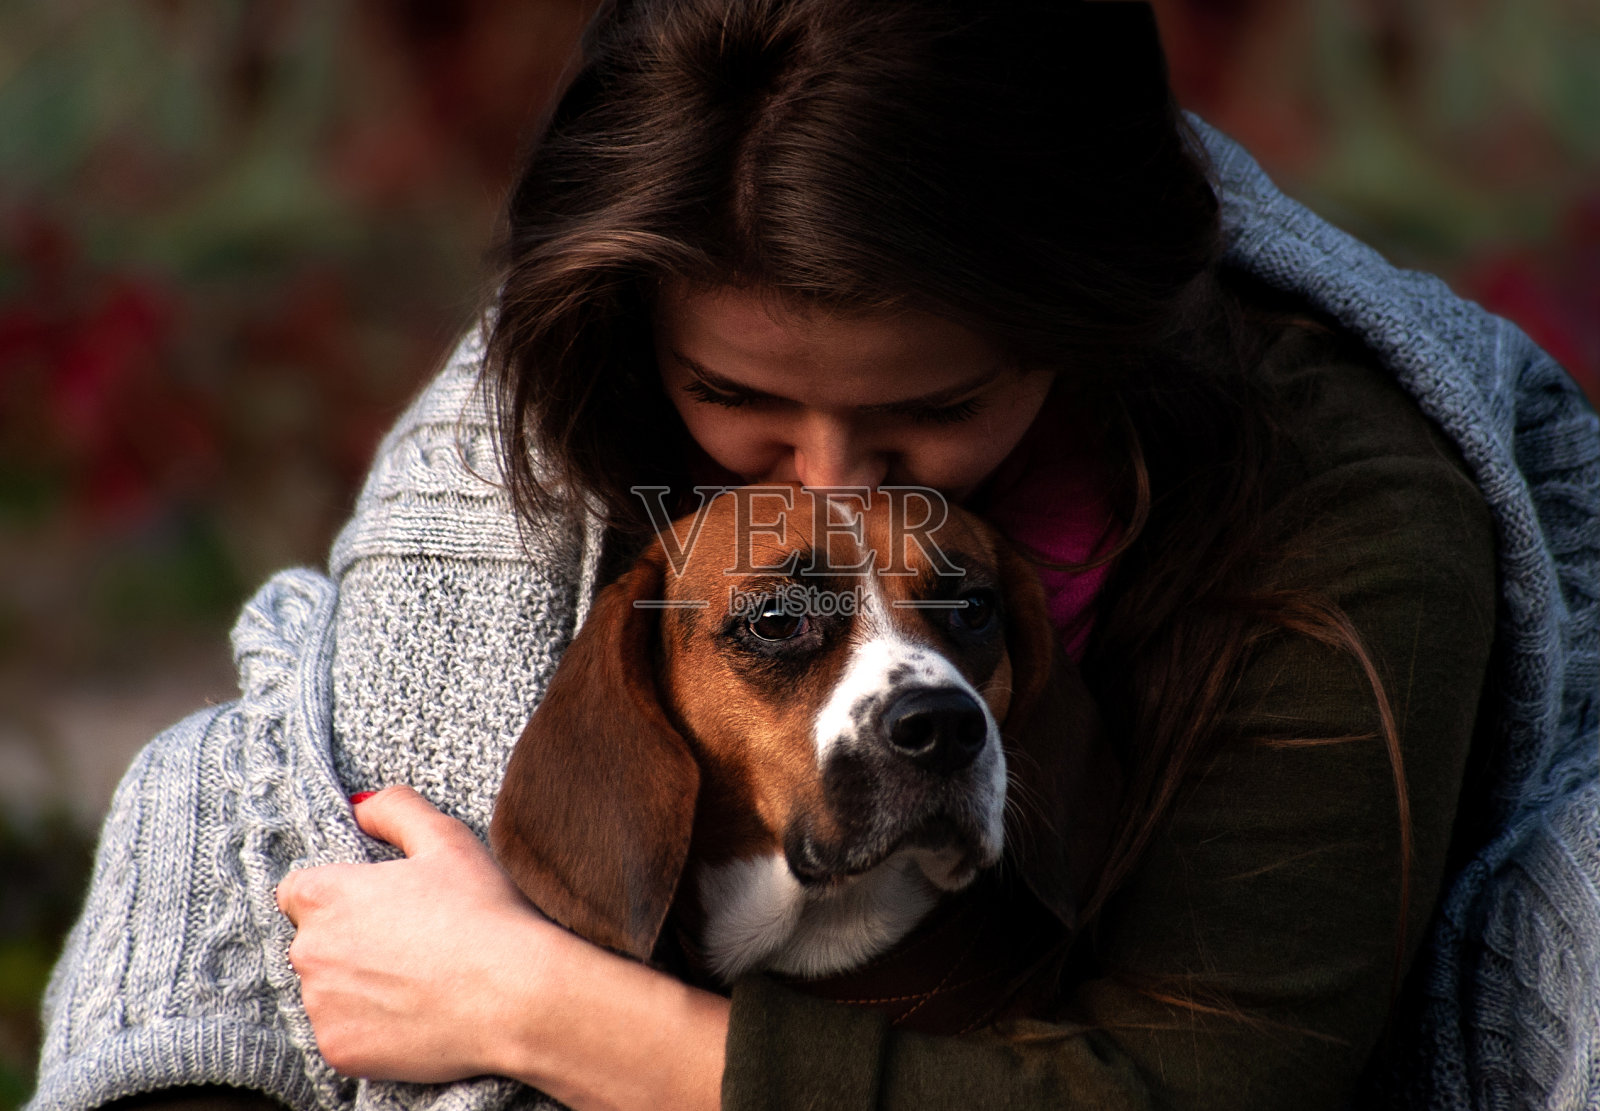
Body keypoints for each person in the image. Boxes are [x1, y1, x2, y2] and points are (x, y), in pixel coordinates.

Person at [29, 2, 1599, 1110]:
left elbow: (1202, 1084)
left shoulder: (1357, 508)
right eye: (736, 396)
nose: (834, 475)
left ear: (1083, 326)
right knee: (206, 782)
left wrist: (547, 1010)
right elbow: (346, 887)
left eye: (936, 405)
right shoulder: (547, 395)